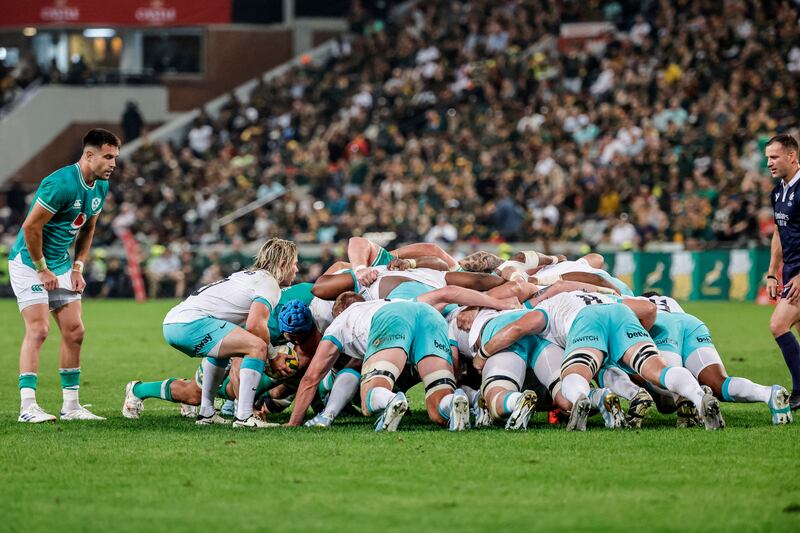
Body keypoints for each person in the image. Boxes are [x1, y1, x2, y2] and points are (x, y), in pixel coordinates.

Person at [9, 128, 119, 423]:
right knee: (40, 329)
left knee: (75, 331)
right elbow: (30, 228)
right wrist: (42, 268)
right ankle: (27, 407)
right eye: (108, 157)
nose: (113, 164)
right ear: (89, 155)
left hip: (60, 263)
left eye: (115, 158)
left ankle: (71, 407)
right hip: (29, 262)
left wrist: (78, 267)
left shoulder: (100, 187)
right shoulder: (60, 183)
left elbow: (89, 227)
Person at [142, 238, 297, 429]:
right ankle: (245, 417)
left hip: (174, 323)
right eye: (294, 264)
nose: (296, 270)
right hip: (191, 323)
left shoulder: (246, 276)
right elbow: (256, 326)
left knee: (226, 350)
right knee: (257, 347)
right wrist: (273, 357)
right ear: (283, 264)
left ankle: (206, 412)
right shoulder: (269, 283)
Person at [765, 134, 800, 411]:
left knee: (778, 325)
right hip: (790, 271)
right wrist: (772, 272)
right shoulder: (778, 191)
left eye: (774, 157)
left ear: (792, 156)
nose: (769, 163)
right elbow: (778, 231)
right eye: (767, 158)